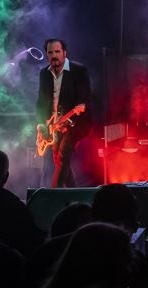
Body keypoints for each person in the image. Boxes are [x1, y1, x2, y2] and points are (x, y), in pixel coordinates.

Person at [36, 38, 91, 188]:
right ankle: (73, 192)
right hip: (54, 124)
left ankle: (55, 193)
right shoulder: (44, 74)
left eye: (57, 51)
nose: (54, 55)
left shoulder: (79, 70)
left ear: (64, 53)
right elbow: (41, 102)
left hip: (76, 122)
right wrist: (41, 124)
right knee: (58, 159)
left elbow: (85, 98)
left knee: (63, 153)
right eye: (50, 52)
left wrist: (73, 114)